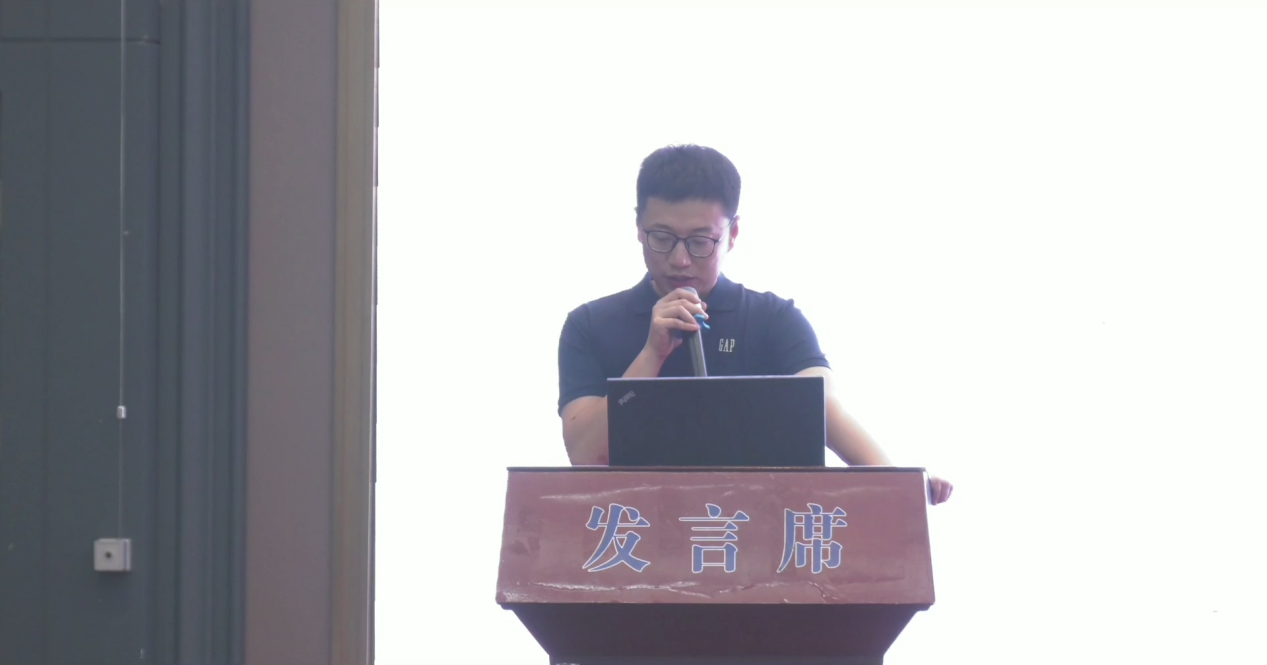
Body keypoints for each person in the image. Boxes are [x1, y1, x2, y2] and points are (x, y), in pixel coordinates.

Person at [556, 144, 953, 504]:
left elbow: (820, 408)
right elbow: (586, 454)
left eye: (700, 242)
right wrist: (651, 355)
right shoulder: (591, 325)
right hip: (637, 536)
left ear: (732, 234)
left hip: (756, 535)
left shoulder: (773, 320)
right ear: (638, 228)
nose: (680, 259)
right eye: (662, 237)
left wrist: (899, 483)